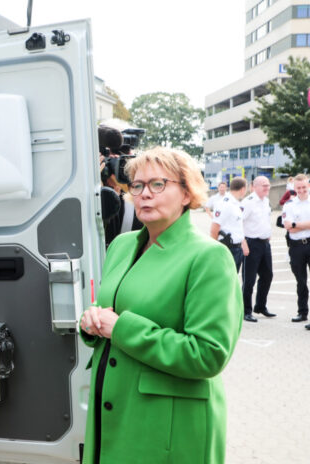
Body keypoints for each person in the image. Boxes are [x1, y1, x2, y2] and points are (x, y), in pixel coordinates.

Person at [79, 147, 242, 464]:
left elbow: (208, 354)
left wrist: (121, 328)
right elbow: (107, 310)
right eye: (137, 186)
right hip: (114, 412)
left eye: (157, 184)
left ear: (186, 193)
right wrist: (91, 321)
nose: (143, 195)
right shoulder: (123, 245)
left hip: (168, 426)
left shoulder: (208, 257)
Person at [241, 176, 275, 322]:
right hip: (251, 243)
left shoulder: (265, 201)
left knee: (267, 276)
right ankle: (246, 311)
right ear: (254, 187)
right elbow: (238, 222)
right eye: (263, 185)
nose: (267, 188)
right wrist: (243, 243)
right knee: (249, 280)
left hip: (265, 244)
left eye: (268, 185)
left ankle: (260, 306)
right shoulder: (248, 202)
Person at [282, 174, 310, 324]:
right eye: (298, 188)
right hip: (296, 247)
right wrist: (303, 225)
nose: (301, 190)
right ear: (294, 188)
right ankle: (302, 312)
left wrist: (296, 224)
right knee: (301, 282)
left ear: (308, 186)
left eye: (304, 187)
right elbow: (288, 227)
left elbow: (293, 225)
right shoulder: (289, 205)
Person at [210, 176, 248, 272]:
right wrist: (214, 251)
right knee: (226, 280)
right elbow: (214, 228)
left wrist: (243, 243)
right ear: (243, 189)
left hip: (237, 249)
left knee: (233, 278)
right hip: (228, 249)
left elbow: (237, 227)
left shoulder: (235, 204)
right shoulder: (225, 204)